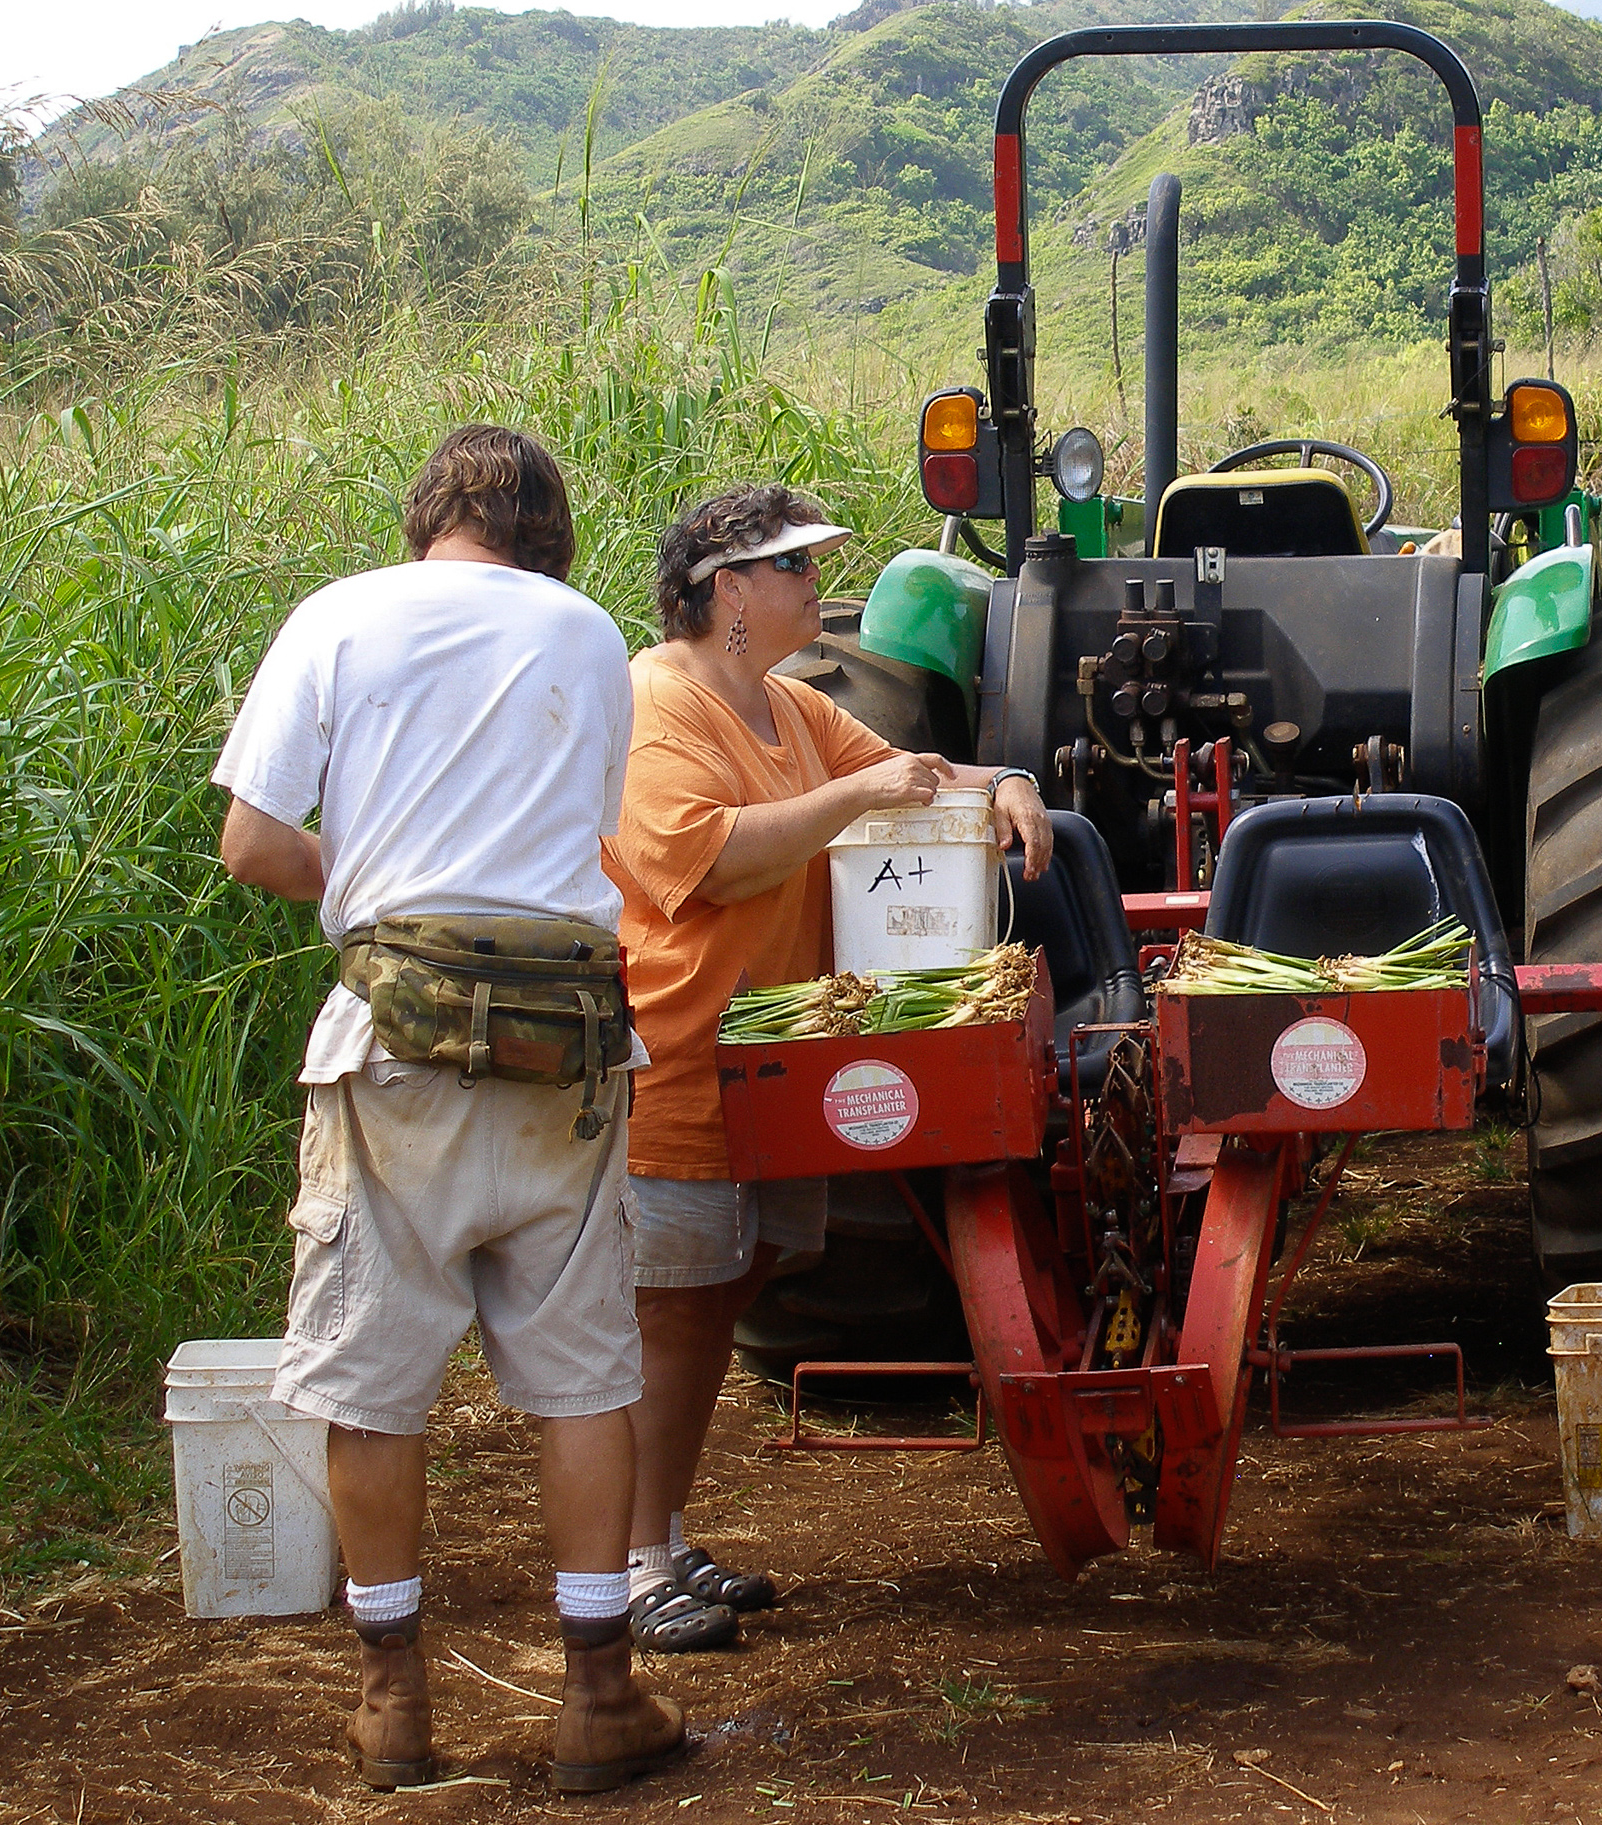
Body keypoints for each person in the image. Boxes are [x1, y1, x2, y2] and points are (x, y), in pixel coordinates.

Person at [214, 423, 684, 1794]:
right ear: (549, 532)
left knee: (373, 1381)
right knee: (583, 1376)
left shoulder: (341, 615)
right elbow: (574, 835)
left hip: (394, 1050)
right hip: (569, 1045)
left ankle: (392, 1701)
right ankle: (598, 1697)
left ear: (426, 514)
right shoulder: (591, 633)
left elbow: (251, 841)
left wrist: (361, 881)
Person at [602, 482, 1051, 1652]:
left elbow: (916, 771)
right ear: (724, 592)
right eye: (793, 569)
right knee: (673, 1311)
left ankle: (661, 1531)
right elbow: (705, 864)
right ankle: (625, 1563)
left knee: (727, 1290)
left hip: (779, 1058)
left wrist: (1004, 783)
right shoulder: (657, 706)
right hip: (685, 1056)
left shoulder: (790, 710)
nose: (815, 586)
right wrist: (853, 796)